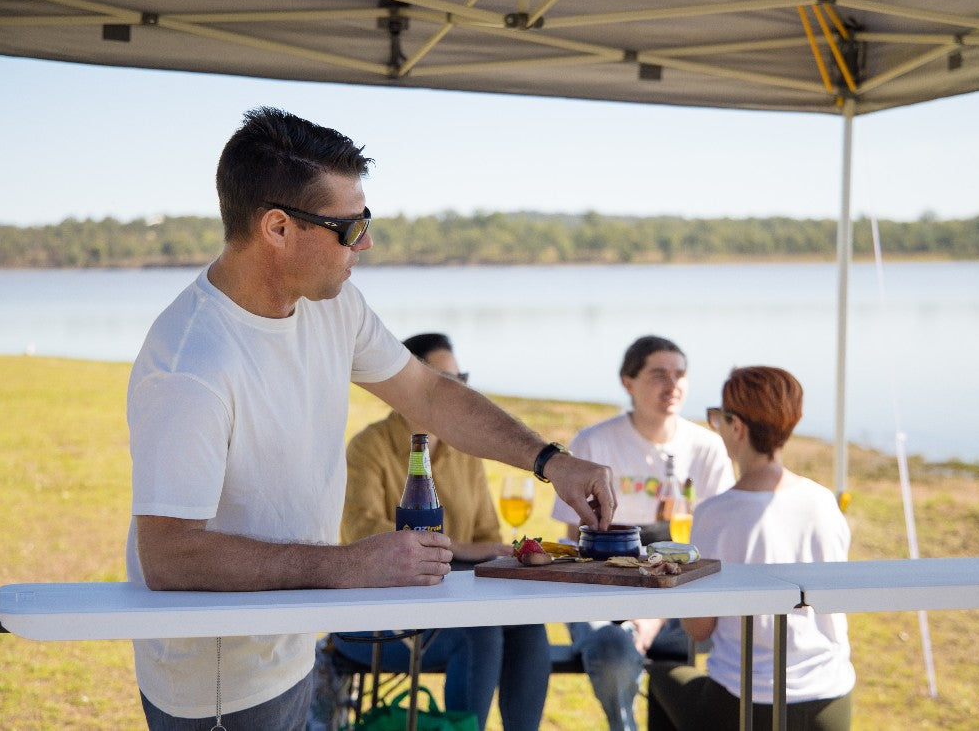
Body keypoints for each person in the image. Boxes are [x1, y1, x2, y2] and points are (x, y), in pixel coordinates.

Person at [124, 106, 615, 731]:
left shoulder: (333, 306)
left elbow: (428, 394)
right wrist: (348, 567)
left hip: (292, 644)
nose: (367, 242)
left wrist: (552, 461)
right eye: (349, 226)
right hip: (216, 682)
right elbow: (171, 556)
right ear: (277, 227)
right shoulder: (190, 364)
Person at [319, 332, 550, 731]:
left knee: (527, 622)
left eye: (462, 379)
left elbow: (488, 538)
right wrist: (456, 548)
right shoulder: (368, 447)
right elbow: (361, 534)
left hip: (453, 606)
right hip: (378, 618)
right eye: (448, 381)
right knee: (481, 635)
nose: (457, 390)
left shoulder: (465, 452)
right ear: (413, 383)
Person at [647, 366, 855, 731]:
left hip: (744, 704)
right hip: (831, 701)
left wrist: (676, 581)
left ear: (737, 427)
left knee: (662, 678)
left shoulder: (715, 514)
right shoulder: (824, 503)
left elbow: (699, 629)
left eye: (719, 418)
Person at [550, 335, 735, 731]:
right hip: (601, 592)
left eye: (680, 374)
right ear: (628, 382)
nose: (672, 385)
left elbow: (717, 547)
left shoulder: (707, 448)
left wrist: (653, 613)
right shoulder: (594, 442)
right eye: (658, 375)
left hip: (682, 596)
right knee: (613, 647)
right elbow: (573, 545)